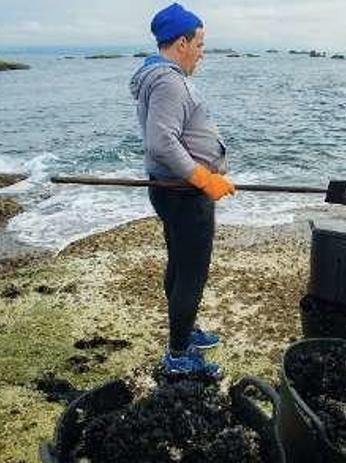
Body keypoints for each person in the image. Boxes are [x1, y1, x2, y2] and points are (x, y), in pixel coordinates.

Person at [129, 2, 233, 377]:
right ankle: (177, 355)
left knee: (180, 263)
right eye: (200, 44)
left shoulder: (161, 77)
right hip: (185, 195)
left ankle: (184, 330)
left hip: (172, 190)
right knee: (192, 273)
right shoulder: (169, 81)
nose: (202, 52)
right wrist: (205, 179)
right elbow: (161, 143)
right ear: (181, 43)